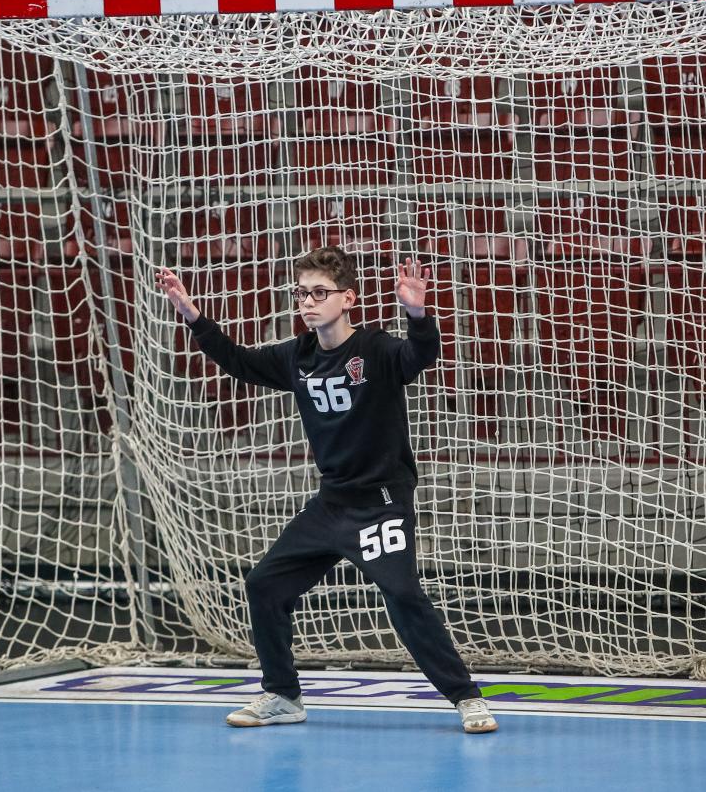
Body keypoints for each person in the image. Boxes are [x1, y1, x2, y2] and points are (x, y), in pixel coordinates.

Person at [155, 245, 497, 734]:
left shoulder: (376, 349)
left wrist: (417, 315)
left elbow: (419, 356)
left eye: (320, 293)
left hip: (380, 504)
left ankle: (466, 698)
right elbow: (238, 362)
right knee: (264, 585)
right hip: (332, 504)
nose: (308, 302)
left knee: (402, 593)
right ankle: (282, 695)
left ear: (347, 298)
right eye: (302, 294)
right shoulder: (298, 355)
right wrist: (192, 314)